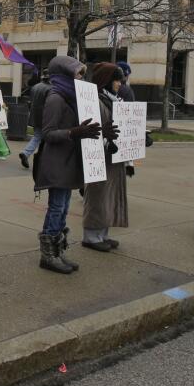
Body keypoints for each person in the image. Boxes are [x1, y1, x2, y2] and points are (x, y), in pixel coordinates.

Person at [32, 55, 99, 274]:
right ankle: (48, 255)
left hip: (69, 160)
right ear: (63, 75)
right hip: (57, 162)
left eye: (82, 73)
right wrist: (74, 132)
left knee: (64, 208)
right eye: (77, 73)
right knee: (56, 208)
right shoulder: (56, 98)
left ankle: (58, 251)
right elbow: (48, 133)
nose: (81, 77)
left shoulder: (71, 97)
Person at [81, 63, 125, 252]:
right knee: (98, 195)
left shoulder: (115, 100)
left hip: (114, 157)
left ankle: (103, 234)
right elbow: (91, 129)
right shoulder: (96, 101)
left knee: (110, 195)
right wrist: (105, 139)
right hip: (99, 157)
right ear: (107, 81)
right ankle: (91, 236)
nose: (119, 84)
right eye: (116, 80)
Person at [19, 74, 51, 170]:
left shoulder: (35, 87)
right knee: (47, 139)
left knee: (37, 137)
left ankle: (26, 153)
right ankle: (43, 160)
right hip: (46, 117)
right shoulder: (51, 88)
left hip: (35, 117)